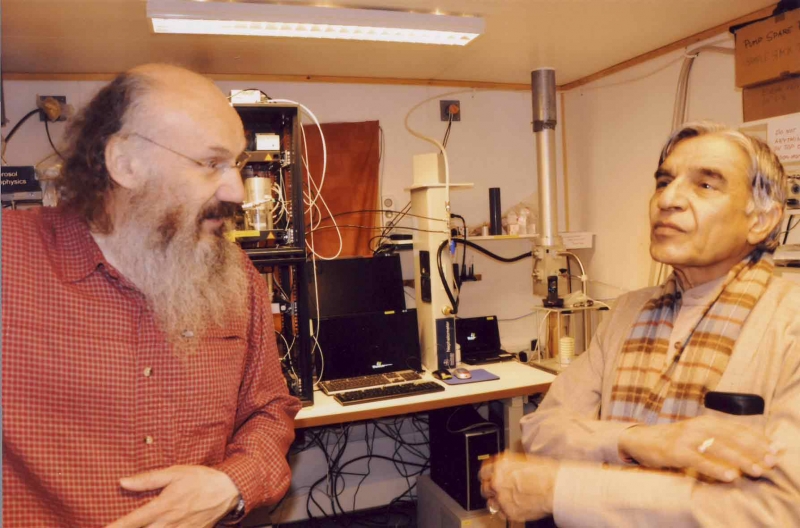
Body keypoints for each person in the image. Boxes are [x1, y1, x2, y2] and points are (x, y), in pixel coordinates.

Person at [2, 64, 302, 527]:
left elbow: (269, 409)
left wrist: (232, 484)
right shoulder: (10, 258)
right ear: (126, 163)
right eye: (211, 164)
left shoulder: (236, 275)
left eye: (237, 164)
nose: (237, 191)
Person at [480, 122, 800, 526]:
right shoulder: (627, 313)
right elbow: (542, 430)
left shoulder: (788, 324)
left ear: (762, 220)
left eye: (705, 185)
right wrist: (641, 440)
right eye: (664, 182)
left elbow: (779, 510)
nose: (668, 199)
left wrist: (561, 490)